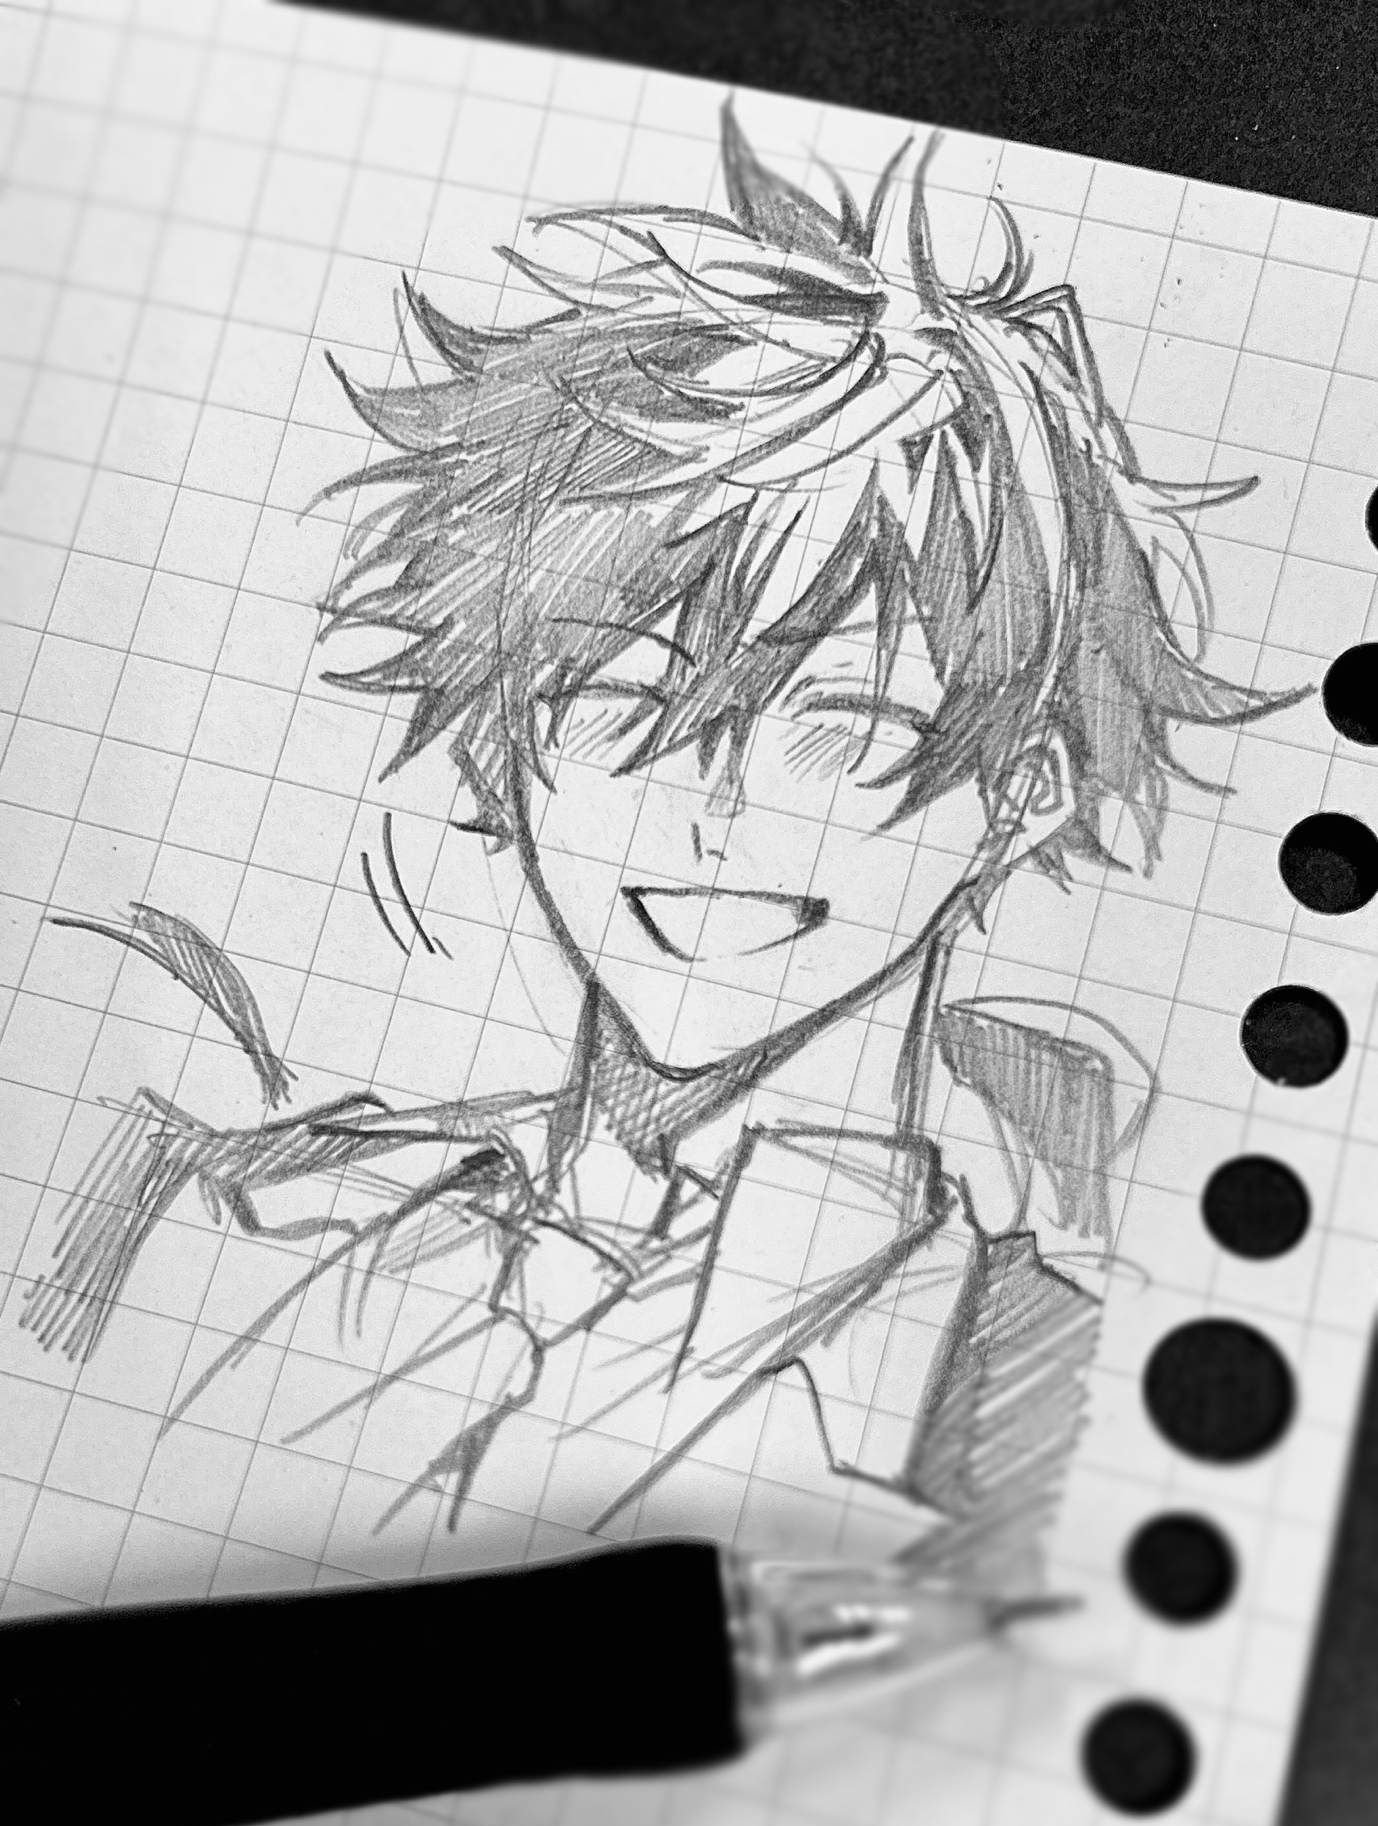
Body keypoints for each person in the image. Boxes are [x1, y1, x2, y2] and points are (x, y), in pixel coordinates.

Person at [23, 108, 1298, 1584]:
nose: (715, 810)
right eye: (624, 704)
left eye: (846, 725)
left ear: (1016, 794)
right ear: (502, 749)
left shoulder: (1059, 1400)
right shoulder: (244, 1210)